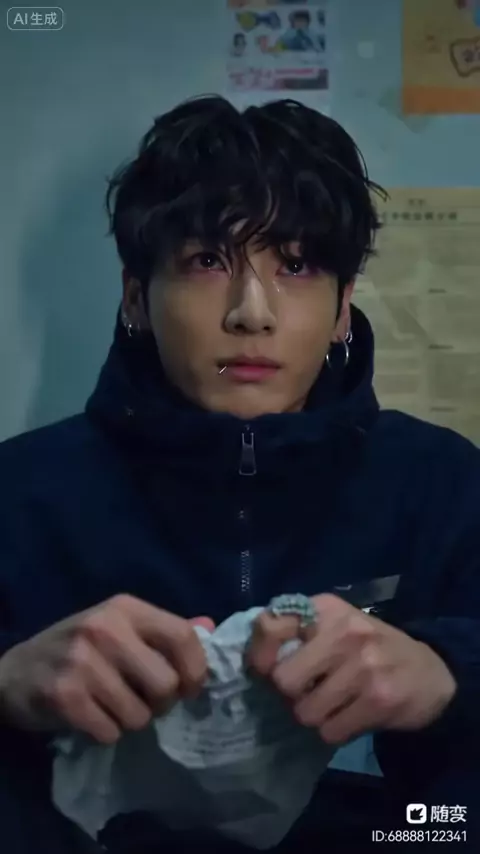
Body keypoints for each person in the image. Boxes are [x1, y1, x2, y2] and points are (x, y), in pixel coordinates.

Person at [0, 95, 479, 854]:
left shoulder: (446, 482)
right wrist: (6, 684)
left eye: (296, 265)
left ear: (343, 308)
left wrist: (450, 675)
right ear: (136, 297)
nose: (251, 313)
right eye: (207, 261)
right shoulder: (18, 492)